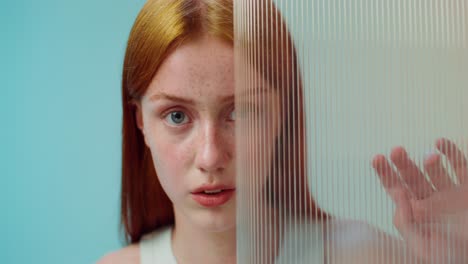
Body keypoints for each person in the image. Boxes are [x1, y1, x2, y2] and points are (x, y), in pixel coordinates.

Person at [98, 0, 468, 263]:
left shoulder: (365, 255)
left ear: (282, 115)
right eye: (177, 116)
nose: (211, 157)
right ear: (140, 122)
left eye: (241, 111)